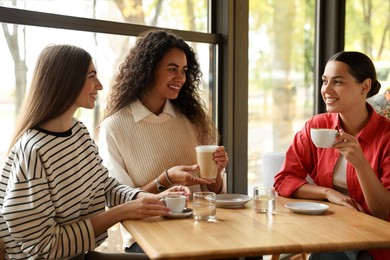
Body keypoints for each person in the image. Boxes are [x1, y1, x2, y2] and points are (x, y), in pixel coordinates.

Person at [0, 44, 190, 260]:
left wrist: (149, 198)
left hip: (81, 255)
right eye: (91, 76)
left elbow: (106, 186)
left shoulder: (78, 132)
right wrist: (122, 212)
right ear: (66, 81)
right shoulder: (34, 151)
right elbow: (45, 247)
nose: (99, 86)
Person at [97, 29, 229, 253]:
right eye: (172, 69)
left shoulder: (192, 119)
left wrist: (216, 171)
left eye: (184, 71)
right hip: (148, 238)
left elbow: (213, 192)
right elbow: (121, 203)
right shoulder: (114, 128)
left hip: (201, 230)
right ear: (148, 70)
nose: (181, 78)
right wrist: (165, 179)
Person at [274, 51, 390, 260]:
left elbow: (382, 211)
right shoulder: (317, 126)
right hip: (328, 228)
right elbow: (283, 180)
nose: (326, 90)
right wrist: (328, 193)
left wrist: (360, 163)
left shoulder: (386, 137)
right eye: (325, 81)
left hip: (374, 240)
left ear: (364, 87)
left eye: (337, 82)